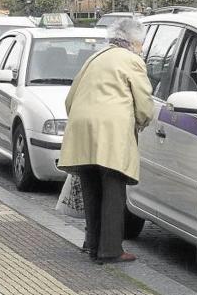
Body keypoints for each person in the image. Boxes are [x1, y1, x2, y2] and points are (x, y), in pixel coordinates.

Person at [57, 18, 153, 264]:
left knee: (91, 189)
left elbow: (70, 99)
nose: (141, 49)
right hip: (111, 132)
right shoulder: (131, 60)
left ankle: (92, 244)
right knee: (113, 189)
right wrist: (143, 121)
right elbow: (143, 100)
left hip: (82, 130)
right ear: (132, 42)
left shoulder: (94, 58)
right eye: (140, 44)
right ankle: (110, 250)